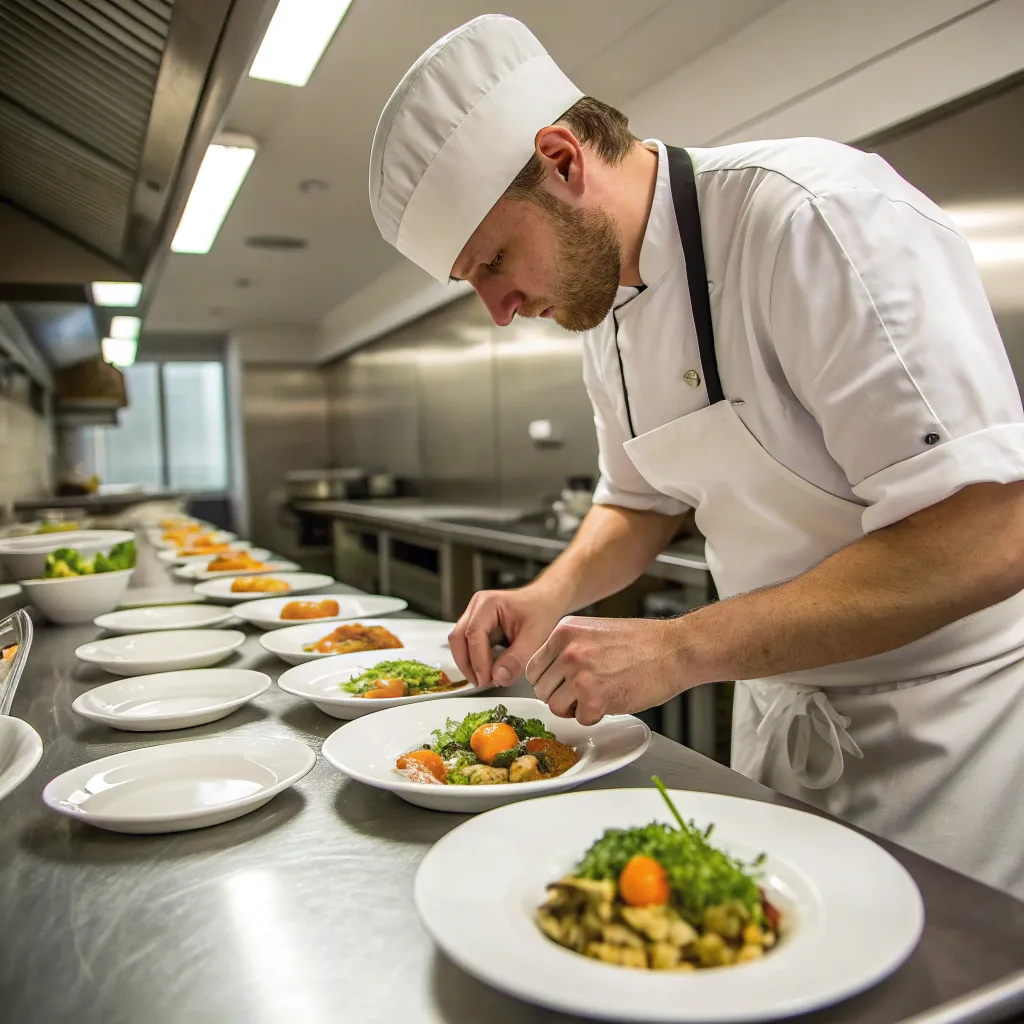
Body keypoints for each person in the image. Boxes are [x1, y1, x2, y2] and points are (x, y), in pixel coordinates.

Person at [369, 14, 1024, 896]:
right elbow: (639, 501)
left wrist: (680, 648)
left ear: (563, 161)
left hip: (949, 737)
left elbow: (989, 533)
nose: (497, 307)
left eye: (494, 261)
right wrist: (545, 595)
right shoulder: (599, 311)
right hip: (778, 712)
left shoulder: (812, 217)